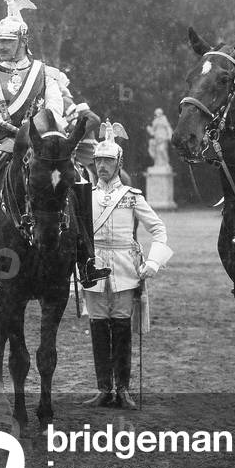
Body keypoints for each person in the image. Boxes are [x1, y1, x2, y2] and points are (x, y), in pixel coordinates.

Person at [0, 0, 103, 287]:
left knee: (79, 182)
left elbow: (53, 110)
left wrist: (47, 140)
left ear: (23, 41)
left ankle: (87, 258)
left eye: (7, 41)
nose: (0, 47)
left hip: (38, 149)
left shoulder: (46, 75)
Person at [81, 122, 172, 409]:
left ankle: (123, 389)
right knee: (98, 329)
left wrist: (154, 263)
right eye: (98, 161)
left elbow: (159, 230)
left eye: (108, 161)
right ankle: (103, 389)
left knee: (121, 329)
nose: (103, 166)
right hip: (93, 269)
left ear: (119, 163)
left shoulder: (132, 196)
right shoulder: (85, 196)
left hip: (124, 268)